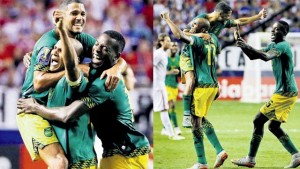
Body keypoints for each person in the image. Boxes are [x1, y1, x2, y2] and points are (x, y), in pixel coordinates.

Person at [18, 30, 151, 169]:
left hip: (128, 153)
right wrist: (35, 57)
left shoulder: (105, 82)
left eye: (105, 48)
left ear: (115, 57)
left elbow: (67, 115)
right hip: (110, 153)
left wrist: (35, 108)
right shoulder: (91, 71)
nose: (98, 49)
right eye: (97, 44)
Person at [17, 0, 126, 168]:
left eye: (82, 14)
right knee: (59, 162)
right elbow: (38, 83)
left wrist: (117, 67)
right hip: (32, 108)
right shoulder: (47, 43)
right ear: (58, 16)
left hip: (53, 105)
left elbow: (110, 52)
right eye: (74, 13)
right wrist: (75, 68)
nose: (80, 18)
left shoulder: (82, 38)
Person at [181, 1, 267, 128]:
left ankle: (196, 110)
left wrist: (258, 17)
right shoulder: (201, 19)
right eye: (227, 15)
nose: (229, 18)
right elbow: (183, 33)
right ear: (220, 13)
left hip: (204, 55)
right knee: (191, 81)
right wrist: (200, 34)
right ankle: (186, 116)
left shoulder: (222, 22)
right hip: (189, 54)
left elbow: (240, 21)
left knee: (215, 91)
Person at [161, 12, 227, 169]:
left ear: (202, 29)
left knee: (194, 123)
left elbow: (178, 34)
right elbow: (214, 46)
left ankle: (202, 162)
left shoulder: (197, 40)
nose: (192, 25)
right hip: (213, 85)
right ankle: (219, 151)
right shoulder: (214, 39)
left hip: (202, 85)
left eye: (195, 24)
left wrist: (168, 19)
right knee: (201, 119)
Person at [231, 20, 300, 168]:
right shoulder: (273, 45)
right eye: (272, 30)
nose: (273, 32)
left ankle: (250, 159)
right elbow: (254, 56)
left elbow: (266, 57)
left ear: (284, 33)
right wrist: (241, 42)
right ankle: (296, 155)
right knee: (273, 126)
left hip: (285, 92)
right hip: (287, 92)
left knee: (258, 121)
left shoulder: (283, 46)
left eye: (277, 30)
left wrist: (246, 46)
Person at [154, 33, 185, 140]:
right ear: (161, 42)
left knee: (165, 108)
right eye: (167, 41)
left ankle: (167, 130)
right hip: (160, 85)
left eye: (169, 40)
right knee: (165, 108)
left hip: (167, 85)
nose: (169, 42)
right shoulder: (158, 54)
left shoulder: (163, 54)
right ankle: (172, 133)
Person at [163, 41, 182, 136]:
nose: (175, 47)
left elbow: (180, 71)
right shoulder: (165, 58)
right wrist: (172, 72)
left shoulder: (178, 58)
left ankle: (164, 128)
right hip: (166, 85)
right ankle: (176, 128)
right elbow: (161, 72)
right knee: (172, 106)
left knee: (171, 107)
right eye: (173, 46)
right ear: (169, 47)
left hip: (174, 85)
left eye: (176, 46)